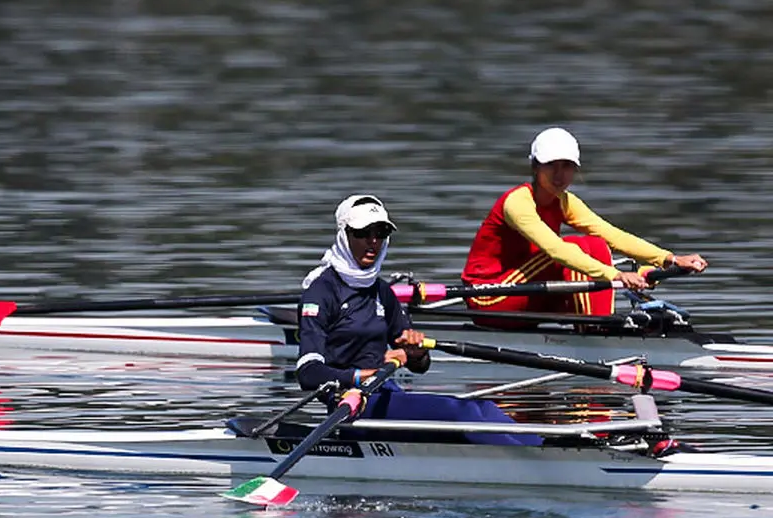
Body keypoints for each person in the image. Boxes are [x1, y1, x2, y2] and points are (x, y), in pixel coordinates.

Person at [297, 194, 540, 446]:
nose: (373, 241)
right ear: (344, 236)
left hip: (384, 393)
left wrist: (416, 353)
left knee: (484, 408)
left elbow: (420, 366)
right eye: (363, 233)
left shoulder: (381, 291)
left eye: (380, 233)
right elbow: (307, 372)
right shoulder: (321, 292)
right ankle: (530, 460)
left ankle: (543, 447)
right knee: (462, 413)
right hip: (351, 404)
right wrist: (358, 376)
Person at [460, 127, 708, 323]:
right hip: (488, 297)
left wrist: (670, 259)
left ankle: (595, 328)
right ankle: (597, 329)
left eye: (567, 167)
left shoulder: (565, 201)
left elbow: (613, 236)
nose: (559, 175)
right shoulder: (517, 202)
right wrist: (615, 275)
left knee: (596, 244)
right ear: (535, 167)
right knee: (577, 246)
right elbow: (555, 249)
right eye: (551, 166)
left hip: (525, 293)